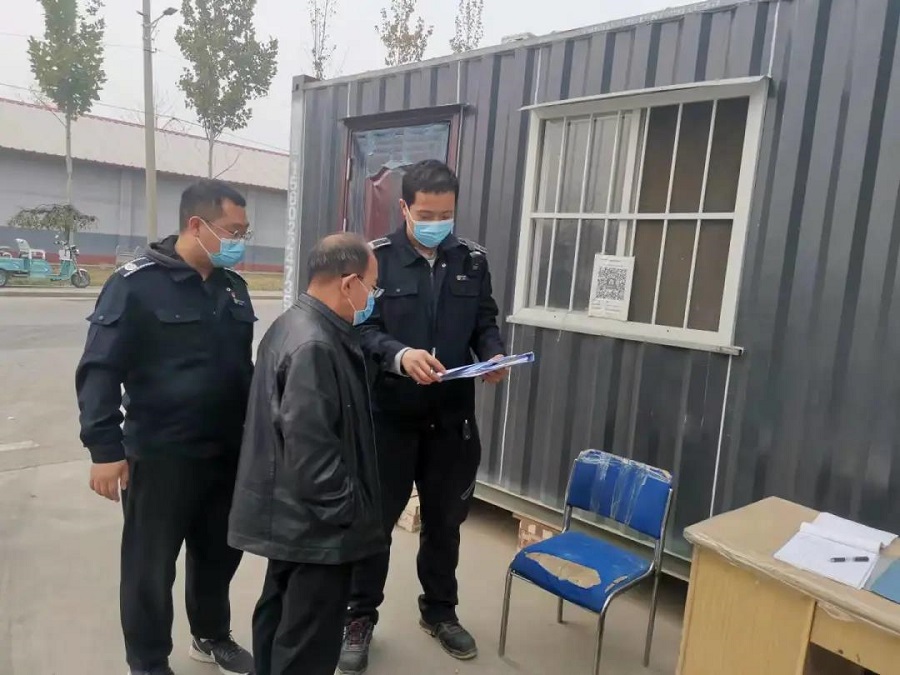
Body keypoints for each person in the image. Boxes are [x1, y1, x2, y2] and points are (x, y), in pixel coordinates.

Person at [75, 179, 256, 675]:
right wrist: (104, 449)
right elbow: (99, 369)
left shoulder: (233, 288)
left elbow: (242, 372)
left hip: (225, 452)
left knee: (219, 554)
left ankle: (211, 634)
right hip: (160, 454)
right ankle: (149, 661)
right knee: (150, 568)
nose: (240, 240)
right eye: (233, 230)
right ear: (196, 225)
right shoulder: (135, 284)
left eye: (244, 231)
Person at [338, 160, 507, 674]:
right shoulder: (376, 260)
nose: (437, 223)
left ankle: (439, 611)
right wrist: (400, 355)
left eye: (446, 214)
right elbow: (359, 330)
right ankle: (358, 616)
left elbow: (485, 320)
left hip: (450, 419)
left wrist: (493, 353)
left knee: (444, 522)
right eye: (427, 214)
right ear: (404, 208)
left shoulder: (471, 260)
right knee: (375, 524)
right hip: (389, 416)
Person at [228, 233, 386, 675]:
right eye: (373, 287)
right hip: (316, 528)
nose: (373, 298)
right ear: (349, 283)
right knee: (307, 642)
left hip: (290, 516)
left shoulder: (294, 325)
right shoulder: (316, 344)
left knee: (280, 619)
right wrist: (349, 513)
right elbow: (313, 452)